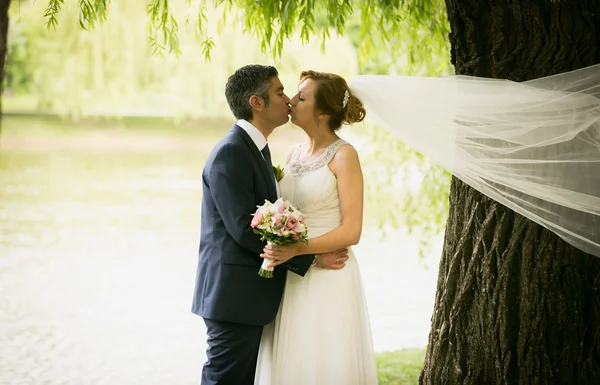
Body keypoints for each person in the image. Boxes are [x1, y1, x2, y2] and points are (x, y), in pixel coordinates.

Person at [191, 64, 350, 385]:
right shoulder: (231, 153)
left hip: (251, 295)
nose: (288, 99)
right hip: (232, 298)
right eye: (279, 92)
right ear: (257, 103)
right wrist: (310, 257)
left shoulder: (257, 149)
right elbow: (243, 230)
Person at [254, 70, 378, 384]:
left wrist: (297, 249)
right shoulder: (294, 154)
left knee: (324, 358)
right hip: (294, 275)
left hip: (329, 277)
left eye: (301, 97)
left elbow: (352, 231)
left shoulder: (344, 156)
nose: (290, 101)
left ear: (322, 112)